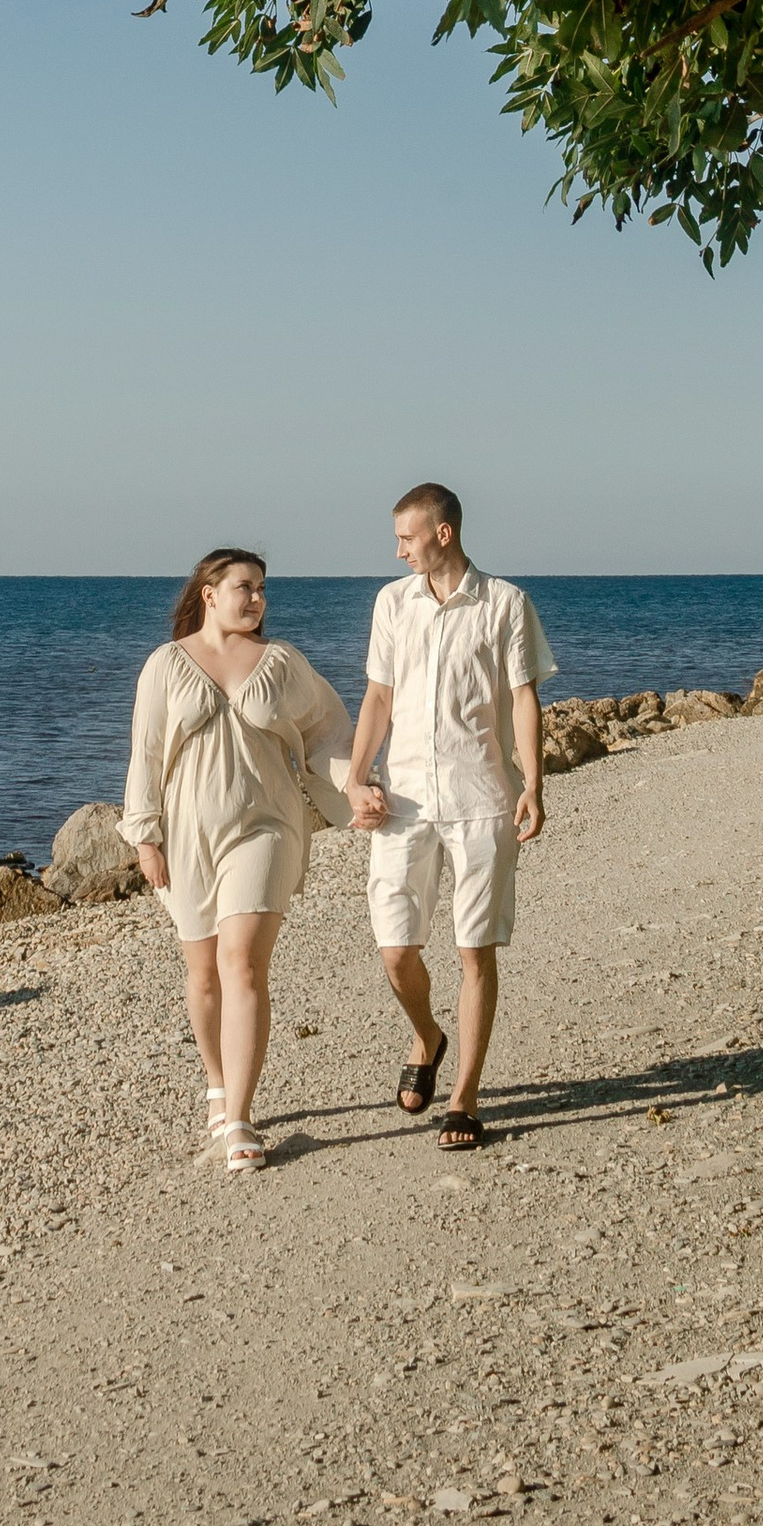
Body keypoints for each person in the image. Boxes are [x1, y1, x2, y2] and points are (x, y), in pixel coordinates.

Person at [123, 549, 354, 1173]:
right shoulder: (166, 666)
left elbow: (326, 731)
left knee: (242, 963)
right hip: (186, 836)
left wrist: (354, 789)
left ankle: (243, 1118)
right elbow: (144, 754)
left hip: (266, 826)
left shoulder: (281, 663)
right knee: (203, 974)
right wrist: (145, 836)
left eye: (262, 590)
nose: (257, 599)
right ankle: (218, 1087)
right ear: (209, 592)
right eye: (244, 588)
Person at [346, 482, 554, 1151]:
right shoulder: (392, 603)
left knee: (474, 950)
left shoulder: (505, 603)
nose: (398, 550)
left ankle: (464, 1096)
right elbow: (378, 696)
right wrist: (356, 775)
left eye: (407, 537)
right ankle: (427, 1035)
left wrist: (534, 784)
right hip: (402, 799)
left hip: (480, 797)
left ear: (443, 534)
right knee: (396, 949)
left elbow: (524, 699)